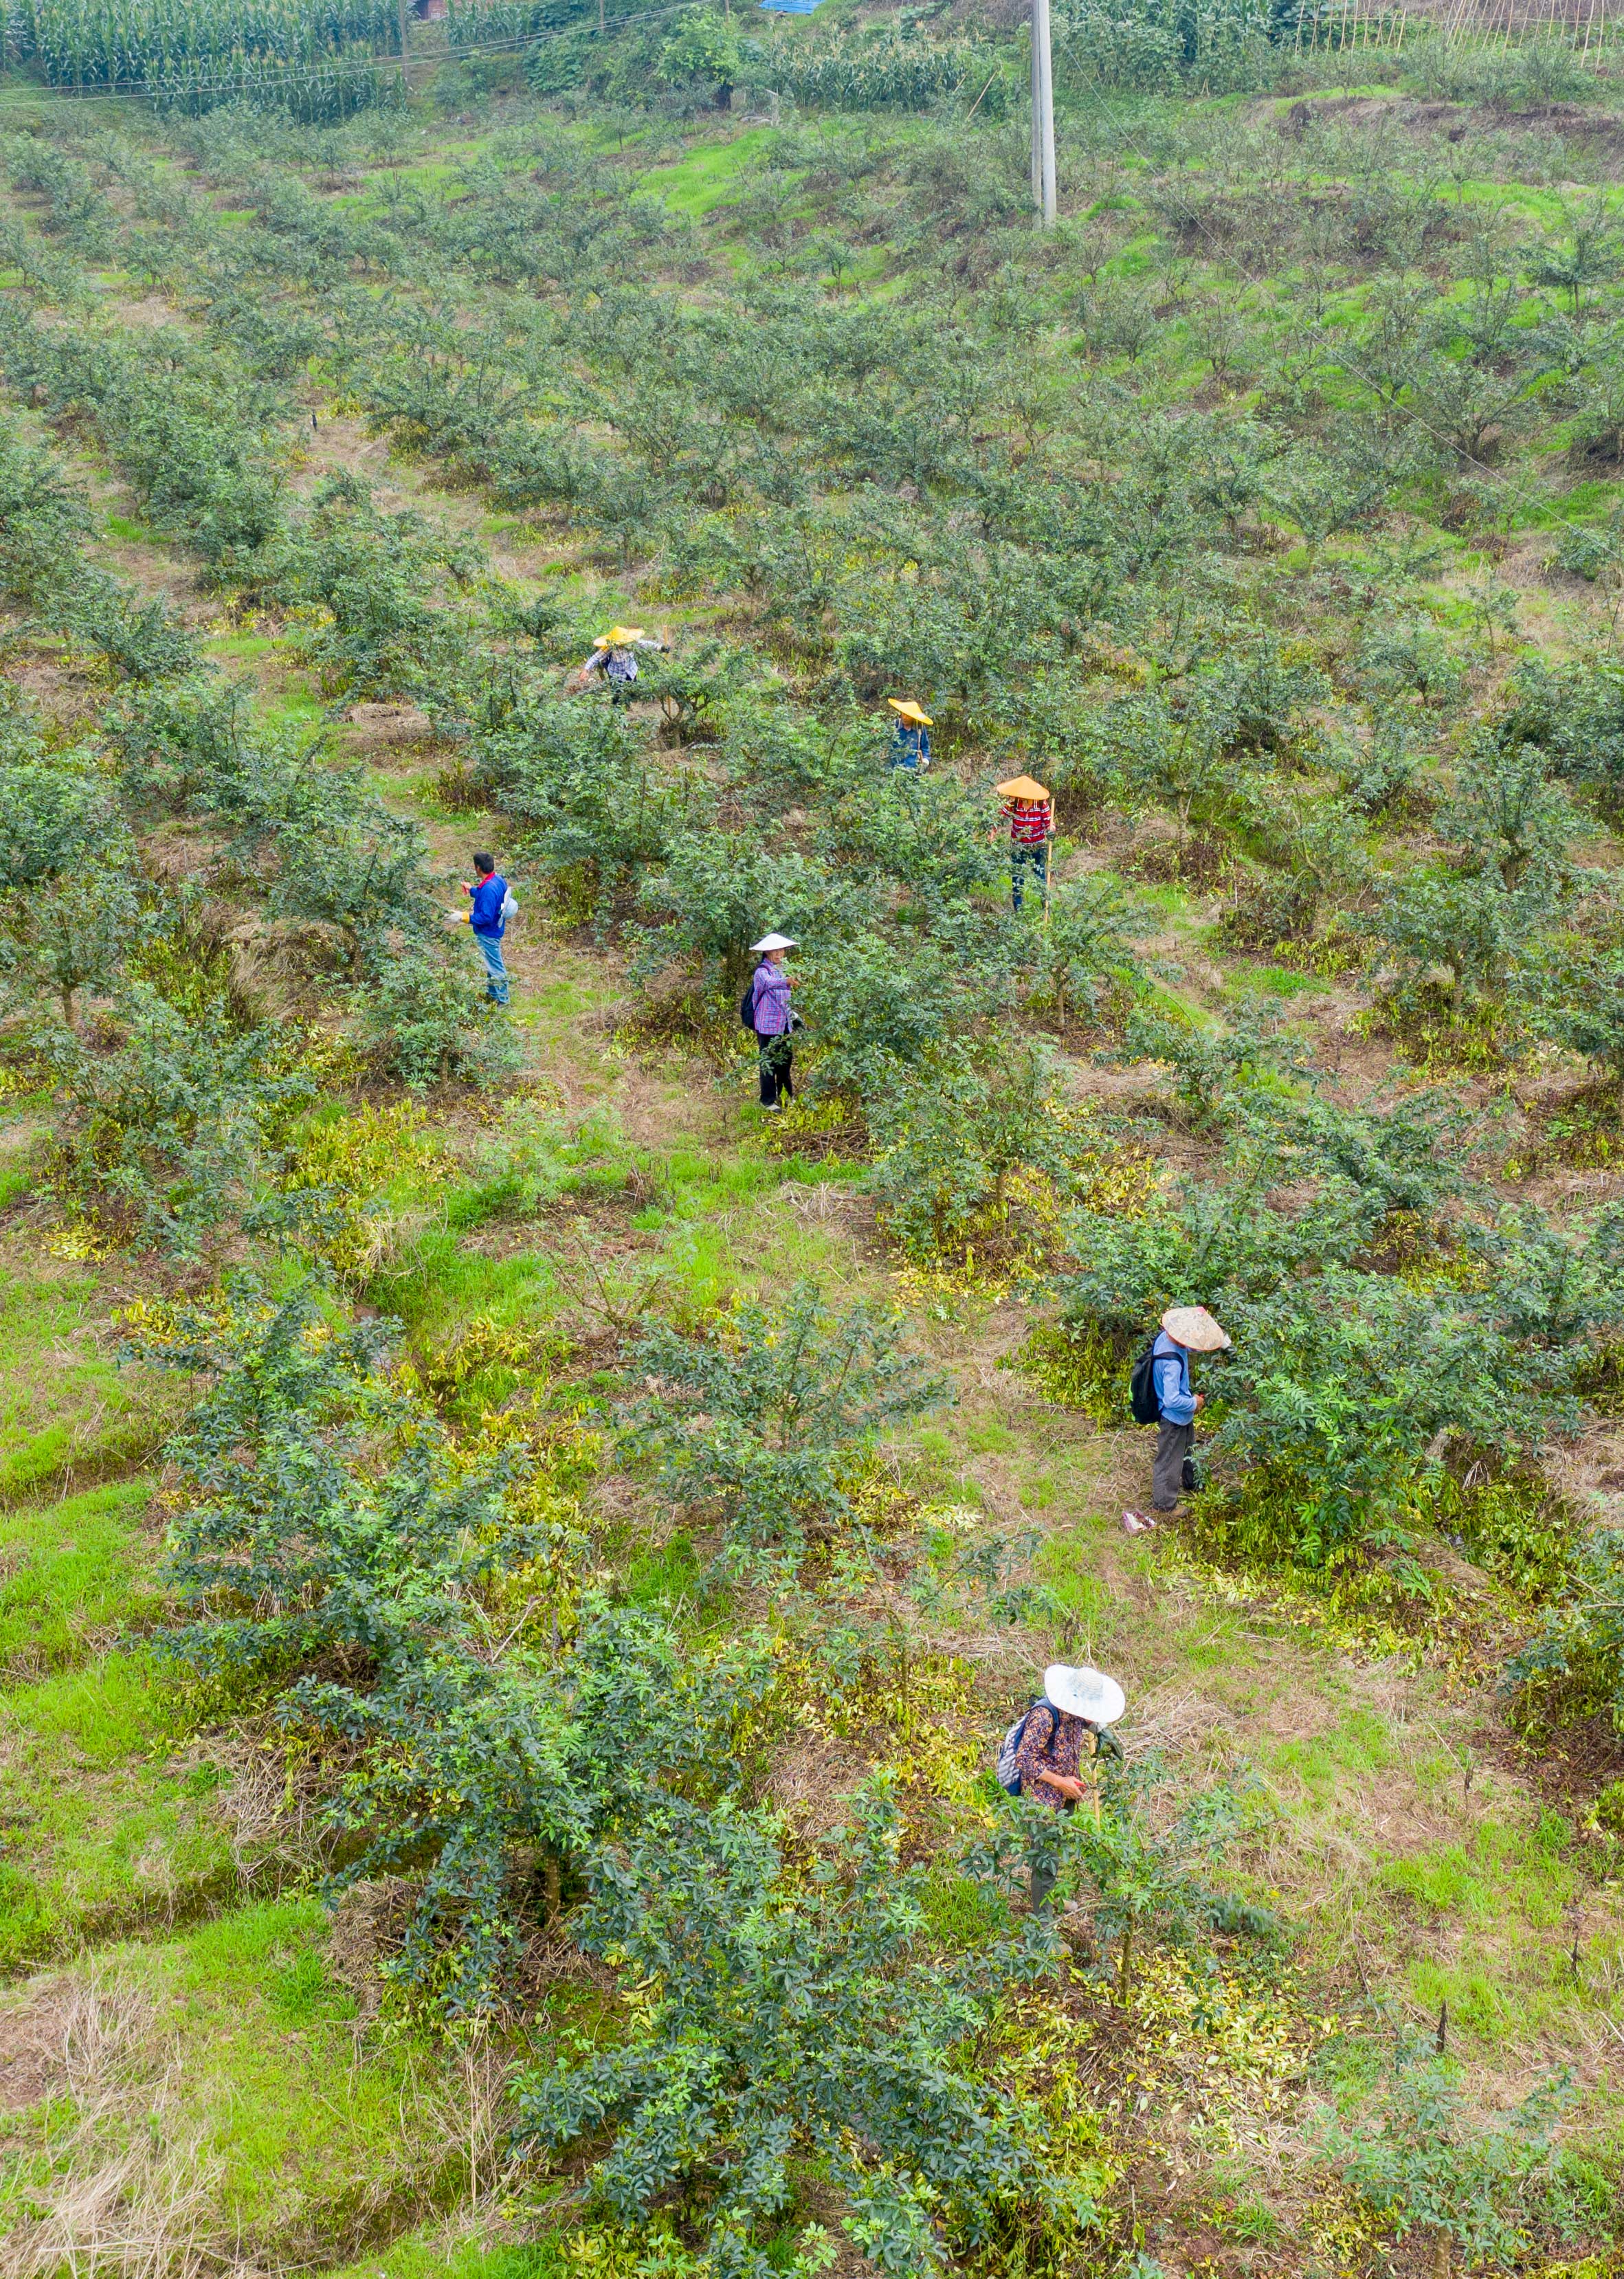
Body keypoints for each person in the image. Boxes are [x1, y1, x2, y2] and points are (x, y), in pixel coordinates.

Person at [1010, 1665, 1126, 1911]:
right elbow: (1025, 1759)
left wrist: (1103, 1732)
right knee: (1044, 1862)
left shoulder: (1074, 1710)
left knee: (1053, 1856)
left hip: (1066, 1797)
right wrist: (1061, 1783)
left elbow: (1087, 1719)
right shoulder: (1044, 1715)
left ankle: (1052, 1899)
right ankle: (1044, 1928)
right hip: (1043, 1802)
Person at [1133, 1304, 1231, 1526]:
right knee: (1169, 1459)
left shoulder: (1165, 1338)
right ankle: (1164, 1503)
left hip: (1182, 1416)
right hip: (1174, 1416)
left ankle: (1195, 1481)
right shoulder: (1171, 1364)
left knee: (1189, 1449)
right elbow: (1171, 1399)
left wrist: (1221, 1343)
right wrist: (1194, 1403)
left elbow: (1190, 1348)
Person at [746, 932, 797, 1111]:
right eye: (774, 951)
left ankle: (787, 1096)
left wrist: (794, 1018)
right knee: (768, 1064)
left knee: (785, 1063)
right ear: (766, 952)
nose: (778, 954)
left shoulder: (784, 969)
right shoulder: (762, 971)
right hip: (767, 1026)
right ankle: (768, 1101)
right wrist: (787, 982)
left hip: (784, 1025)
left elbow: (785, 1000)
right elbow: (770, 984)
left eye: (781, 950)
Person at [994, 773, 1054, 912]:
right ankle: (1018, 912)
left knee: (1040, 877)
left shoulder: (1040, 804)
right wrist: (993, 831)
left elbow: (1049, 823)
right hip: (1018, 847)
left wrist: (1051, 831)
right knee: (1018, 879)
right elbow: (1000, 818)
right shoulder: (1014, 803)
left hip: (1037, 846)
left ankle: (1046, 909)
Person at [462, 852, 510, 1006]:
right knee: (491, 962)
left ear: (478, 868)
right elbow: (486, 895)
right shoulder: (498, 880)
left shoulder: (489, 888)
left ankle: (503, 1001)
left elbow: (486, 917)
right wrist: (471, 889)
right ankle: (492, 995)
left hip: (488, 933)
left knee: (495, 966)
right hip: (496, 929)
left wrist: (466, 917)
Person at [577, 625, 667, 704]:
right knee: (616, 696)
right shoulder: (610, 646)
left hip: (631, 670)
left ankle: (629, 702)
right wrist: (586, 670)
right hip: (616, 674)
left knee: (632, 691)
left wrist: (661, 648)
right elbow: (596, 657)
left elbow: (646, 644)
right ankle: (617, 713)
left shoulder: (632, 642)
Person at [886, 699, 933, 770]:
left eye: (908, 716)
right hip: (895, 769)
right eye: (903, 714)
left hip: (913, 770)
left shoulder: (920, 728)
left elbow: (925, 748)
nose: (905, 717)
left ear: (913, 717)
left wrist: (925, 762)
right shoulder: (895, 725)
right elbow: (885, 745)